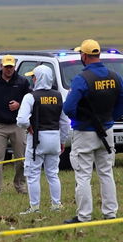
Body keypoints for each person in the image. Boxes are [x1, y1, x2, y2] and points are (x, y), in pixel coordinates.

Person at [63, 39, 123, 223]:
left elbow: (68, 108)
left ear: (84, 56)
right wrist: (109, 117)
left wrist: (82, 119)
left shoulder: (82, 79)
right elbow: (121, 102)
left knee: (83, 175)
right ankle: (110, 213)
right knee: (106, 172)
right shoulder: (115, 76)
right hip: (107, 130)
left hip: (84, 132)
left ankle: (84, 216)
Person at [17, 65, 70, 214]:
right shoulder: (59, 96)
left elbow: (21, 119)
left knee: (33, 174)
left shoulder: (30, 97)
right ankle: (56, 205)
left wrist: (28, 126)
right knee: (53, 174)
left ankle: (34, 207)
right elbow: (65, 122)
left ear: (37, 78)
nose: (32, 79)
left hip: (37, 139)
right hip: (54, 138)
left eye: (33, 76)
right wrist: (62, 140)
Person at [0, 55, 31, 196]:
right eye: (6, 66)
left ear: (14, 67)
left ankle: (20, 185)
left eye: (11, 66)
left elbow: (29, 101)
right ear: (1, 66)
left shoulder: (23, 82)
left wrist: (19, 105)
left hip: (17, 125)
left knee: (21, 159)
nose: (9, 69)